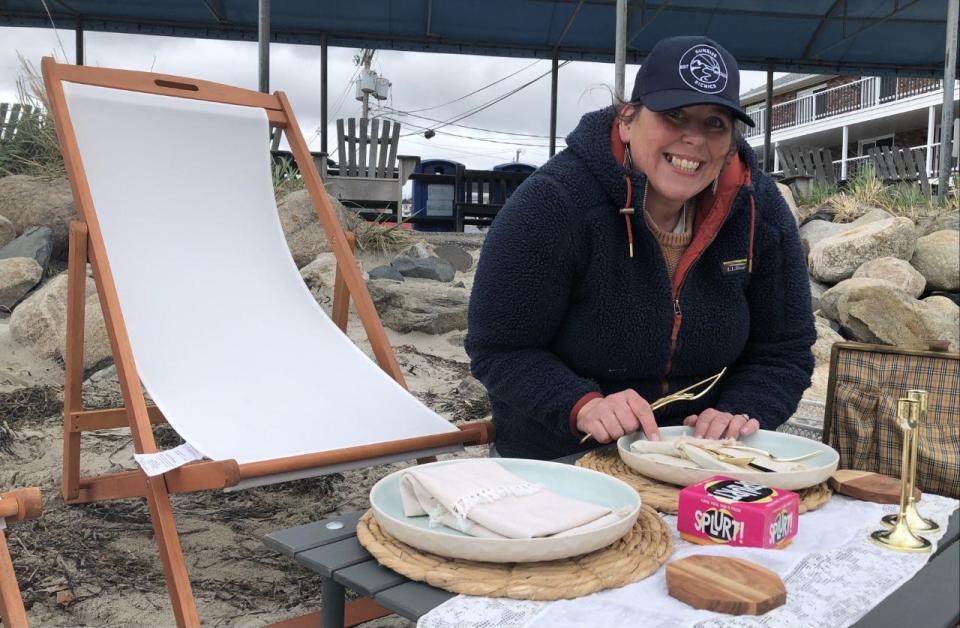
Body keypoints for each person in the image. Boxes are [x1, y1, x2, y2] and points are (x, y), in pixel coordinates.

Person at [465, 35, 816, 460]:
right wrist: (582, 405)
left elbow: (784, 351)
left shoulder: (760, 210)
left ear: (729, 145)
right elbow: (500, 348)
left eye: (715, 123)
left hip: (703, 457)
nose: (694, 139)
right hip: (562, 456)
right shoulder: (553, 202)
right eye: (674, 115)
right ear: (627, 120)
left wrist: (739, 411)